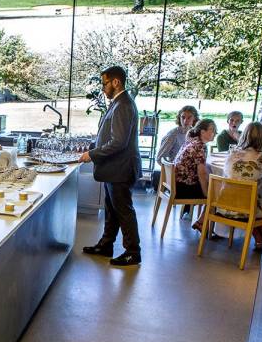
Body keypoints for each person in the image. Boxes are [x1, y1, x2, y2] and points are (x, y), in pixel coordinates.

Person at [79, 66, 142, 267]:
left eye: (104, 83)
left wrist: (92, 154)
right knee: (112, 210)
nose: (103, 88)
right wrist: (91, 146)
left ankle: (133, 252)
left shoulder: (123, 104)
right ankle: (106, 244)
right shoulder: (119, 103)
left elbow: (118, 142)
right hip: (115, 169)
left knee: (123, 210)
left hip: (121, 169)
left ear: (116, 82)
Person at [222, 121, 262, 249]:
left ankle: (259, 240)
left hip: (223, 204)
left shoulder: (233, 153)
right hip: (245, 209)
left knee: (252, 199)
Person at [173, 119, 217, 232]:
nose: (215, 132)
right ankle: (202, 223)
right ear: (202, 132)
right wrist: (207, 193)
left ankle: (201, 221)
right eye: (212, 130)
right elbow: (201, 174)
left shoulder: (191, 141)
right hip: (183, 188)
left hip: (176, 185)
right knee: (216, 194)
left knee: (212, 190)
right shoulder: (200, 146)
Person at [151, 105, 199, 189]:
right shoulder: (173, 135)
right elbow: (160, 158)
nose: (185, 120)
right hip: (177, 175)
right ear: (179, 118)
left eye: (189, 118)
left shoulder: (195, 134)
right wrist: (174, 171)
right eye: (183, 117)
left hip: (190, 171)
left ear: (194, 119)